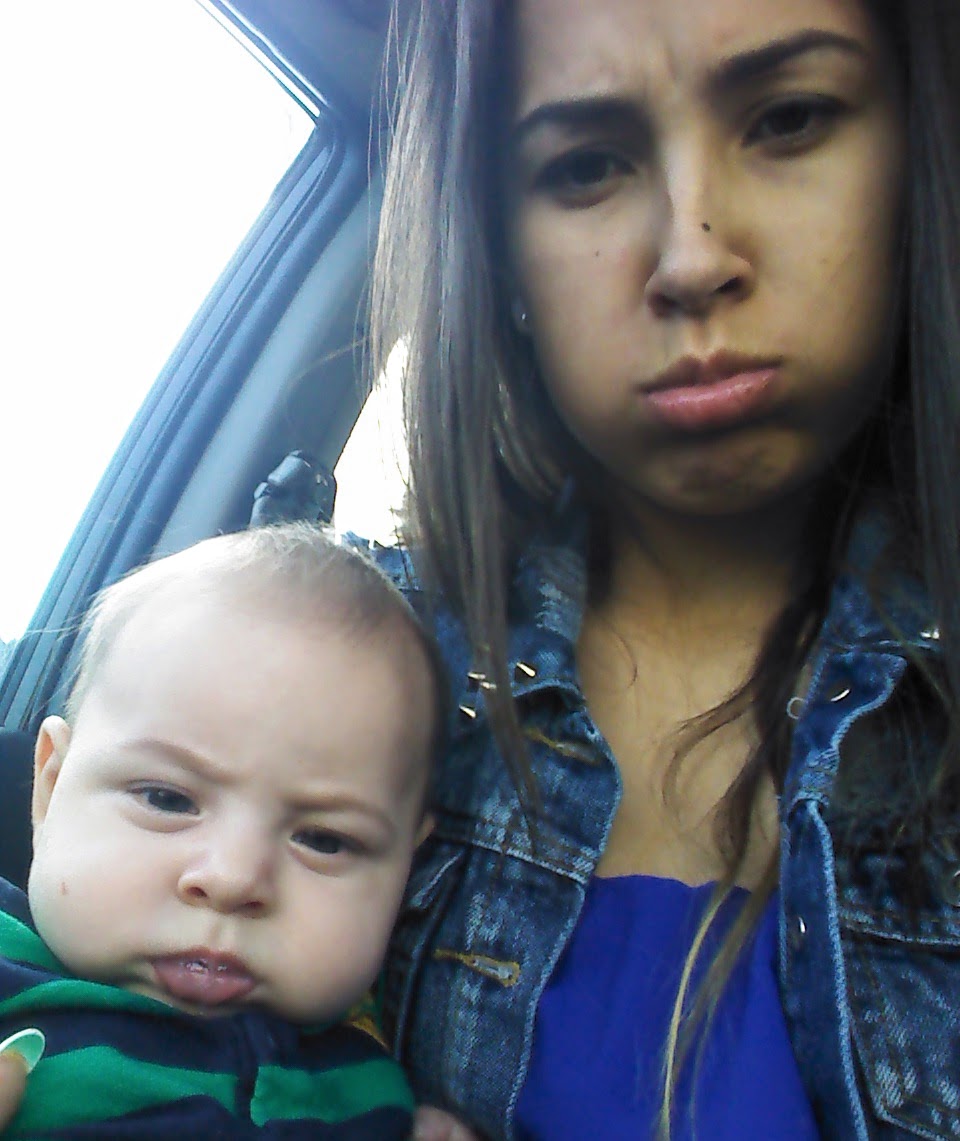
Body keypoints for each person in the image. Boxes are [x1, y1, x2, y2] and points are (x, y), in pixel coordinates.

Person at [369, 1, 960, 1139]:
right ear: (500, 249)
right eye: (584, 166)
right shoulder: (355, 676)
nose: (690, 259)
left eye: (790, 119)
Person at [0, 523, 441, 1138]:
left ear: (406, 868)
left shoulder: (374, 1075)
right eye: (166, 799)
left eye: (323, 841)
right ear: (50, 789)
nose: (232, 880)